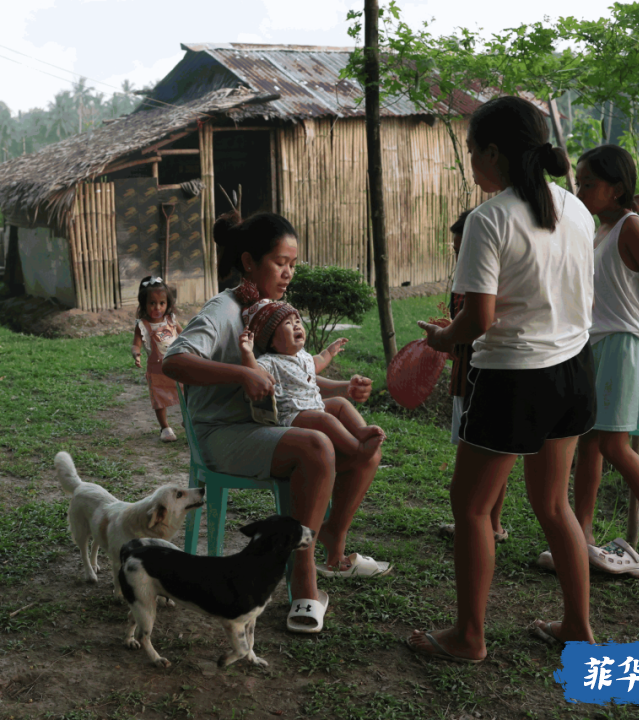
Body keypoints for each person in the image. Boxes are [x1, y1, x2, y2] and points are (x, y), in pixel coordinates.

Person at [410, 96, 597, 661]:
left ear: (493, 152)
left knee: (470, 508)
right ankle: (577, 628)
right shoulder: (578, 210)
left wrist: (445, 338)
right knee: (554, 505)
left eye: (472, 151)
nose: (471, 162)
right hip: (572, 372)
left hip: (514, 379)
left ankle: (469, 636)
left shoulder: (488, 220)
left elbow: (482, 318)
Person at [163, 210, 389, 635]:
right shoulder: (224, 308)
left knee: (363, 446)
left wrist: (340, 388)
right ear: (249, 262)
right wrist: (241, 373)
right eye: (280, 263)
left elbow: (291, 374)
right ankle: (305, 583)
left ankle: (333, 547)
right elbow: (174, 360)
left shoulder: (266, 309)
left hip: (267, 425)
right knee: (318, 446)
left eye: (293, 264)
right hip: (226, 433)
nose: (288, 273)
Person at [541, 144, 639, 571]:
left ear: (616, 189)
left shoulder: (631, 227)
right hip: (596, 344)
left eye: (589, 183)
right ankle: (581, 533)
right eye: (578, 181)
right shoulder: (597, 230)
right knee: (590, 443)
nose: (580, 190)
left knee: (614, 444)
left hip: (626, 343)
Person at [437, 210, 508, 544]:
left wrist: (449, 336)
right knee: (491, 450)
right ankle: (488, 522)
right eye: (455, 249)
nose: (458, 255)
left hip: (479, 372)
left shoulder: (486, 280)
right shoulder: (469, 279)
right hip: (466, 369)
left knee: (487, 450)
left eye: (462, 248)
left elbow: (479, 323)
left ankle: (485, 523)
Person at [238, 300, 386, 460]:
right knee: (326, 420)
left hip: (314, 406)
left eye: (298, 321)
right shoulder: (271, 361)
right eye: (288, 323)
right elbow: (254, 374)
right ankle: (357, 449)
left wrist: (329, 352)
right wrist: (248, 354)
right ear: (272, 340)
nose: (296, 326)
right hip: (293, 415)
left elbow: (317, 362)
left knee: (340, 403)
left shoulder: (303, 356)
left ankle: (360, 431)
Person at [131, 276, 183, 442]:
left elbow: (184, 335)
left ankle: (188, 420)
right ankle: (165, 428)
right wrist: (136, 354)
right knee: (159, 399)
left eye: (162, 303)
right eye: (152, 303)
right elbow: (136, 344)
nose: (157, 307)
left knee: (186, 393)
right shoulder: (143, 325)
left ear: (168, 303)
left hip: (177, 365)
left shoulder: (171, 320)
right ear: (144, 304)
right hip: (157, 370)